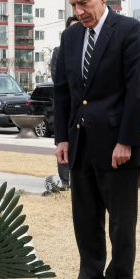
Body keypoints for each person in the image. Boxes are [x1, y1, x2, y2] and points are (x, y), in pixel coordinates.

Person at [54, 0, 140, 279]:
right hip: (80, 145)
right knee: (86, 222)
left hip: (118, 148)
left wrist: (127, 140)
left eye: (84, 2)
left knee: (121, 226)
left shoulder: (128, 31)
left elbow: (138, 92)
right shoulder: (69, 38)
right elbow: (63, 92)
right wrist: (62, 138)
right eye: (74, 4)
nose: (79, 10)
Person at [51, 15, 79, 189]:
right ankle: (65, 181)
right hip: (68, 107)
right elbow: (59, 81)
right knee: (63, 144)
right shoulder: (59, 51)